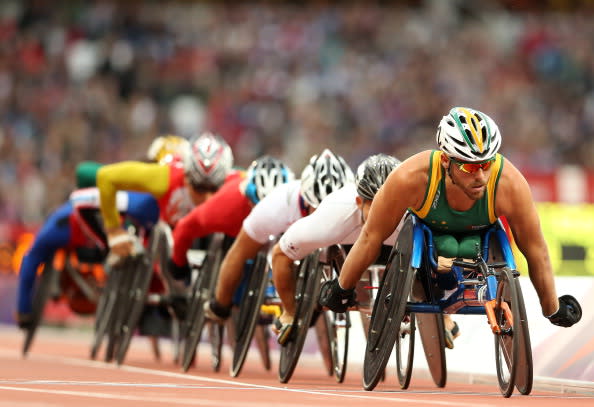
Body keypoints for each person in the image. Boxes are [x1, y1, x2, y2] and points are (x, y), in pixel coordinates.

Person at [321, 107, 582, 329]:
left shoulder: (510, 184)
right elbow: (370, 237)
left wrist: (552, 308)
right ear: (446, 161)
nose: (480, 176)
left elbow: (536, 250)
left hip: (480, 236)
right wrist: (343, 286)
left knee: (476, 246)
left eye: (486, 163)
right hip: (429, 234)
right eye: (469, 166)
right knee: (434, 247)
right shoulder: (409, 178)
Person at [202, 148, 355, 345]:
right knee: (242, 251)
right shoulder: (277, 205)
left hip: (337, 233)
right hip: (285, 231)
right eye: (316, 208)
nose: (321, 215)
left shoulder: (353, 206)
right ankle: (226, 306)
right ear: (305, 197)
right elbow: (237, 254)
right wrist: (221, 304)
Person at [271, 154, 396, 344]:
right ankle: (290, 314)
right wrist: (289, 311)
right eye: (374, 204)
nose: (381, 212)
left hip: (387, 238)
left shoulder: (417, 209)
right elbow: (280, 255)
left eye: (389, 204)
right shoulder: (332, 216)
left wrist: (442, 314)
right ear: (359, 202)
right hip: (345, 229)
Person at [15, 188, 159, 329]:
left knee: (31, 259)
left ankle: (23, 312)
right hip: (93, 235)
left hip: (71, 232)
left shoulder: (59, 215)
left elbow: (31, 259)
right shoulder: (114, 201)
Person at [96, 132, 234, 259]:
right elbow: (105, 176)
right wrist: (114, 230)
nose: (207, 198)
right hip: (158, 219)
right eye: (199, 188)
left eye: (214, 189)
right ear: (186, 176)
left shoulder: (234, 181)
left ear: (224, 179)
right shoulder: (165, 177)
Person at [168, 155, 295, 282]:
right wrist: (179, 264)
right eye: (259, 208)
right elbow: (185, 226)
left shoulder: (298, 205)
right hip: (235, 228)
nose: (267, 216)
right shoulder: (226, 207)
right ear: (248, 199)